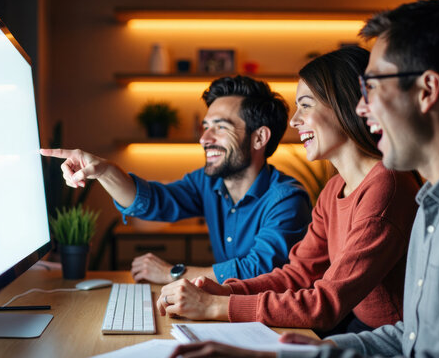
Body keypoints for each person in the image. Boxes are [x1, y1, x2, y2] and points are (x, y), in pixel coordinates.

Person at [169, 0, 439, 357]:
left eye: (373, 85)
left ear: (427, 91)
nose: (361, 105)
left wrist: (222, 307)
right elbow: (408, 338)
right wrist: (280, 352)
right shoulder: (432, 201)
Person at [157, 46, 421, 335]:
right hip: (355, 327)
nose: (295, 121)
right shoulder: (334, 189)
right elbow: (298, 275)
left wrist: (214, 306)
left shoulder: (386, 188)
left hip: (392, 340)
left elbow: (326, 303)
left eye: (306, 105)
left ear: (346, 104)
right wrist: (224, 292)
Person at [41, 76, 311, 284]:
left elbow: (257, 271)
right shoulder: (207, 183)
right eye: (205, 127)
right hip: (233, 310)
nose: (204, 139)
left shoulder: (286, 199)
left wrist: (172, 273)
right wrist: (105, 172)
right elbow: (153, 202)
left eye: (220, 127)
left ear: (259, 138)